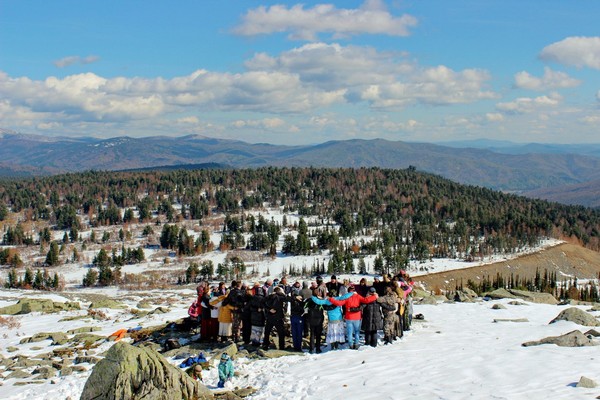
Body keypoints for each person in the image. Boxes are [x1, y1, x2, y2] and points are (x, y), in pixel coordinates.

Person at [328, 284, 378, 349]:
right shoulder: (358, 296)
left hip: (349, 317)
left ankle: (351, 345)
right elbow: (366, 300)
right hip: (357, 317)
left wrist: (331, 299)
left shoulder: (347, 297)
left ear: (348, 291)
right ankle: (356, 344)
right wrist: (375, 297)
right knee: (357, 331)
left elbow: (339, 303)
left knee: (349, 332)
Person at [262, 286, 289, 350]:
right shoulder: (280, 296)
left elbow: (262, 302)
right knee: (281, 332)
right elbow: (287, 298)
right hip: (278, 317)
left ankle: (265, 345)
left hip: (270, 316)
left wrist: (269, 309)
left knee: (267, 331)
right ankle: (281, 346)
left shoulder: (269, 296)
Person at [304, 289, 325, 354]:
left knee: (312, 334)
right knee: (318, 334)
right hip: (319, 318)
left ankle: (311, 349)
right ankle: (318, 348)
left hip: (311, 318)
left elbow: (305, 307)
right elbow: (324, 307)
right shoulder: (320, 300)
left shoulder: (309, 300)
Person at [289, 286, 305, 352]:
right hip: (299, 317)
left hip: (293, 316)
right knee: (299, 333)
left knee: (294, 332)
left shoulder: (292, 300)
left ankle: (296, 346)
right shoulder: (301, 301)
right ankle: (299, 347)